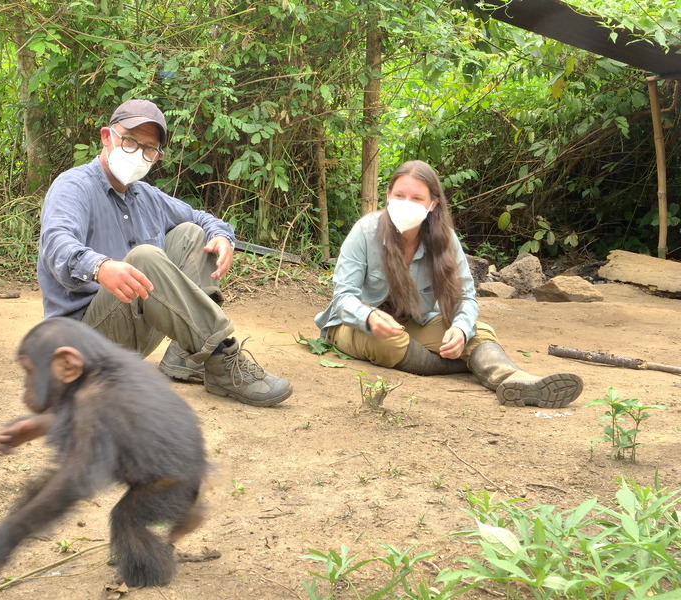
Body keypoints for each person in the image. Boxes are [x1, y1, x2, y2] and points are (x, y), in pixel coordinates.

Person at [37, 98, 292, 407]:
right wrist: (100, 266)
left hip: (129, 329)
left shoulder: (146, 196)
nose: (138, 154)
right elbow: (56, 242)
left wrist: (222, 237)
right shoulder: (73, 186)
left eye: (149, 149)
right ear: (107, 137)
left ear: (156, 157)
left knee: (194, 235)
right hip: (81, 343)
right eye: (130, 141)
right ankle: (222, 356)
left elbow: (200, 217)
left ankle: (188, 357)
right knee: (145, 256)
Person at [314, 160, 582, 408]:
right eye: (399, 196)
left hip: (412, 322)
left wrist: (461, 331)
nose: (406, 203)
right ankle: (468, 365)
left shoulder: (445, 239)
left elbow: (466, 298)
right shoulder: (365, 232)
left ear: (432, 204)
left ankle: (518, 381)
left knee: (478, 331)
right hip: (351, 325)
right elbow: (343, 299)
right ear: (387, 196)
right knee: (391, 342)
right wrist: (369, 316)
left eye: (417, 198)